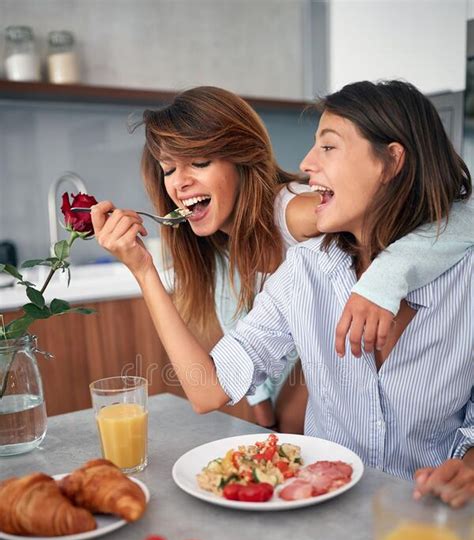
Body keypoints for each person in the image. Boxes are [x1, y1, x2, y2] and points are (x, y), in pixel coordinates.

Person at [92, 81, 473, 506]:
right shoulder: (293, 266)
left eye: (328, 148)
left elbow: (454, 215)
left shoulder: (295, 213)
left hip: (437, 516)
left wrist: (383, 280)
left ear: (391, 162)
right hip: (335, 509)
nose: (306, 164)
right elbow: (208, 388)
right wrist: (144, 270)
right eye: (168, 169)